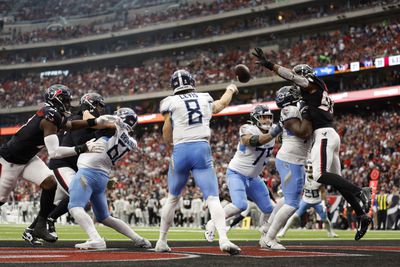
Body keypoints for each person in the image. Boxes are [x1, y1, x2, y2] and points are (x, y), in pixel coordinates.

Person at [252, 48, 372, 240]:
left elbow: (292, 77)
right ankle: (362, 215)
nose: (296, 83)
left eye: (299, 78)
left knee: (319, 174)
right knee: (338, 181)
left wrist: (270, 65)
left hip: (323, 135)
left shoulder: (313, 85)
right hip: (330, 135)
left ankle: (360, 191)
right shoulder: (317, 93)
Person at [0, 85, 111, 244]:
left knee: (50, 183)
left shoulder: (53, 113)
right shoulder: (49, 117)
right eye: (65, 100)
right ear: (56, 100)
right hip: (10, 160)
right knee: (1, 199)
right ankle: (41, 223)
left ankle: (40, 225)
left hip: (28, 157)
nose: (68, 104)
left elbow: (71, 125)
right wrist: (82, 148)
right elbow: (54, 153)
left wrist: (94, 121)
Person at [154, 69, 240, 255]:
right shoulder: (204, 97)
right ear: (191, 81)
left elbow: (167, 130)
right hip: (201, 148)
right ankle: (223, 240)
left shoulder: (170, 101)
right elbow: (222, 104)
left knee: (172, 198)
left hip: (181, 150)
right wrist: (231, 89)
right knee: (212, 198)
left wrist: (171, 144)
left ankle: (161, 240)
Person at [68, 107, 151, 250]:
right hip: (102, 177)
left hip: (88, 172)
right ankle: (139, 239)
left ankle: (96, 239)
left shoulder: (115, 124)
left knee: (75, 207)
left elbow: (92, 122)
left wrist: (86, 109)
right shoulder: (132, 142)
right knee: (104, 217)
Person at [204, 105, 280, 244]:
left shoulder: (274, 130)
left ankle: (265, 236)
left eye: (269, 117)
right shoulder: (247, 128)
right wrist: (275, 133)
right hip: (237, 173)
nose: (267, 120)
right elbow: (251, 140)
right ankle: (212, 222)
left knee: (269, 209)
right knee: (240, 205)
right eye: (264, 117)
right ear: (256, 118)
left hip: (254, 177)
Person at [259, 85, 313, 250]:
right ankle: (270, 237)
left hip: (293, 159)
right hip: (291, 160)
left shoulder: (292, 109)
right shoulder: (289, 110)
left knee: (288, 199)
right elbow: (303, 132)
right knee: (293, 203)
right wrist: (306, 111)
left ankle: (267, 229)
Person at [277, 161, 338, 238]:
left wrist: (323, 202)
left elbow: (322, 191)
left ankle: (330, 232)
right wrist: (284, 191)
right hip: (305, 200)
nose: (309, 170)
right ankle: (283, 232)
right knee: (294, 216)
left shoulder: (318, 178)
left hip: (317, 201)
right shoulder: (303, 177)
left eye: (311, 168)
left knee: (325, 219)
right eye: (307, 167)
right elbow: (293, 184)